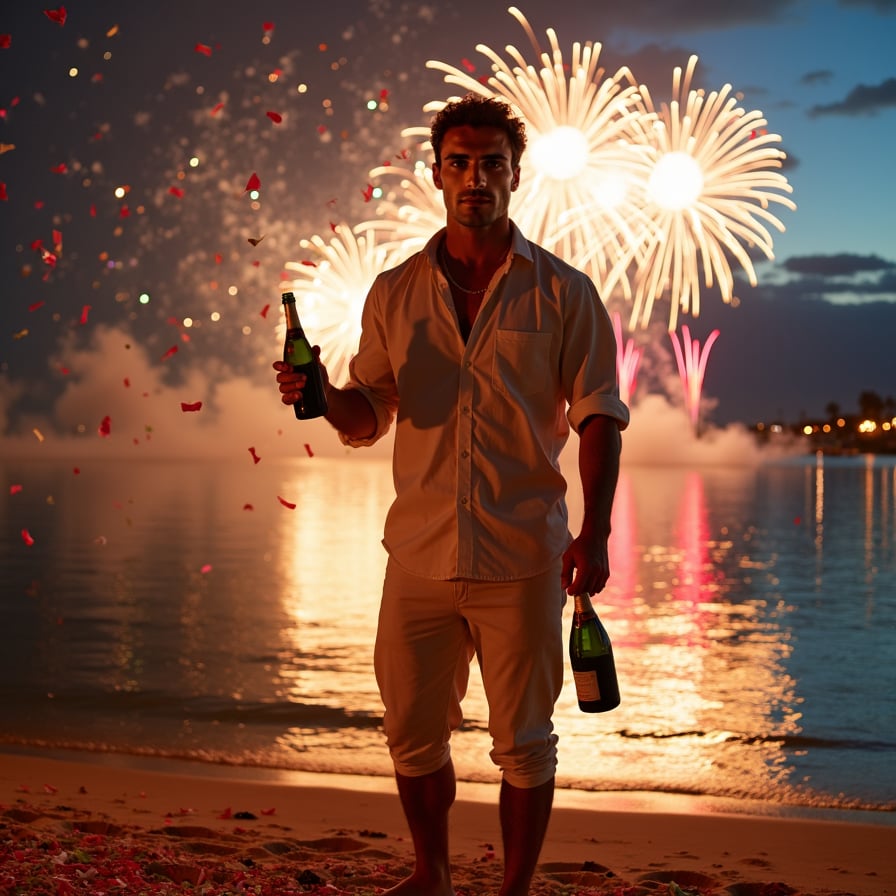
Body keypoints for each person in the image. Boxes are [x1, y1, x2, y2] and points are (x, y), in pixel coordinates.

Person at [274, 94, 630, 896]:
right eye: (460, 163)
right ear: (436, 173)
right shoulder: (395, 292)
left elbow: (601, 415)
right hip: (420, 553)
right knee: (408, 732)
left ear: (515, 174)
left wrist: (597, 531)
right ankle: (429, 872)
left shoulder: (565, 293)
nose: (476, 178)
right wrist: (324, 392)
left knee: (525, 742)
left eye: (492, 164)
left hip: (524, 552)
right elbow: (370, 413)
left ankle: (513, 890)